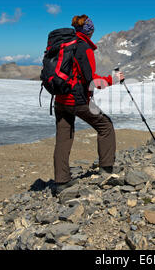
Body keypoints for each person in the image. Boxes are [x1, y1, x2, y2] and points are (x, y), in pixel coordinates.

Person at [53, 14, 124, 196]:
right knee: (105, 125)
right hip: (76, 100)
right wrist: (113, 79)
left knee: (63, 137)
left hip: (59, 99)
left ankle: (61, 181)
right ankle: (106, 170)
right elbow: (91, 80)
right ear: (90, 31)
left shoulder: (63, 44)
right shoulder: (84, 47)